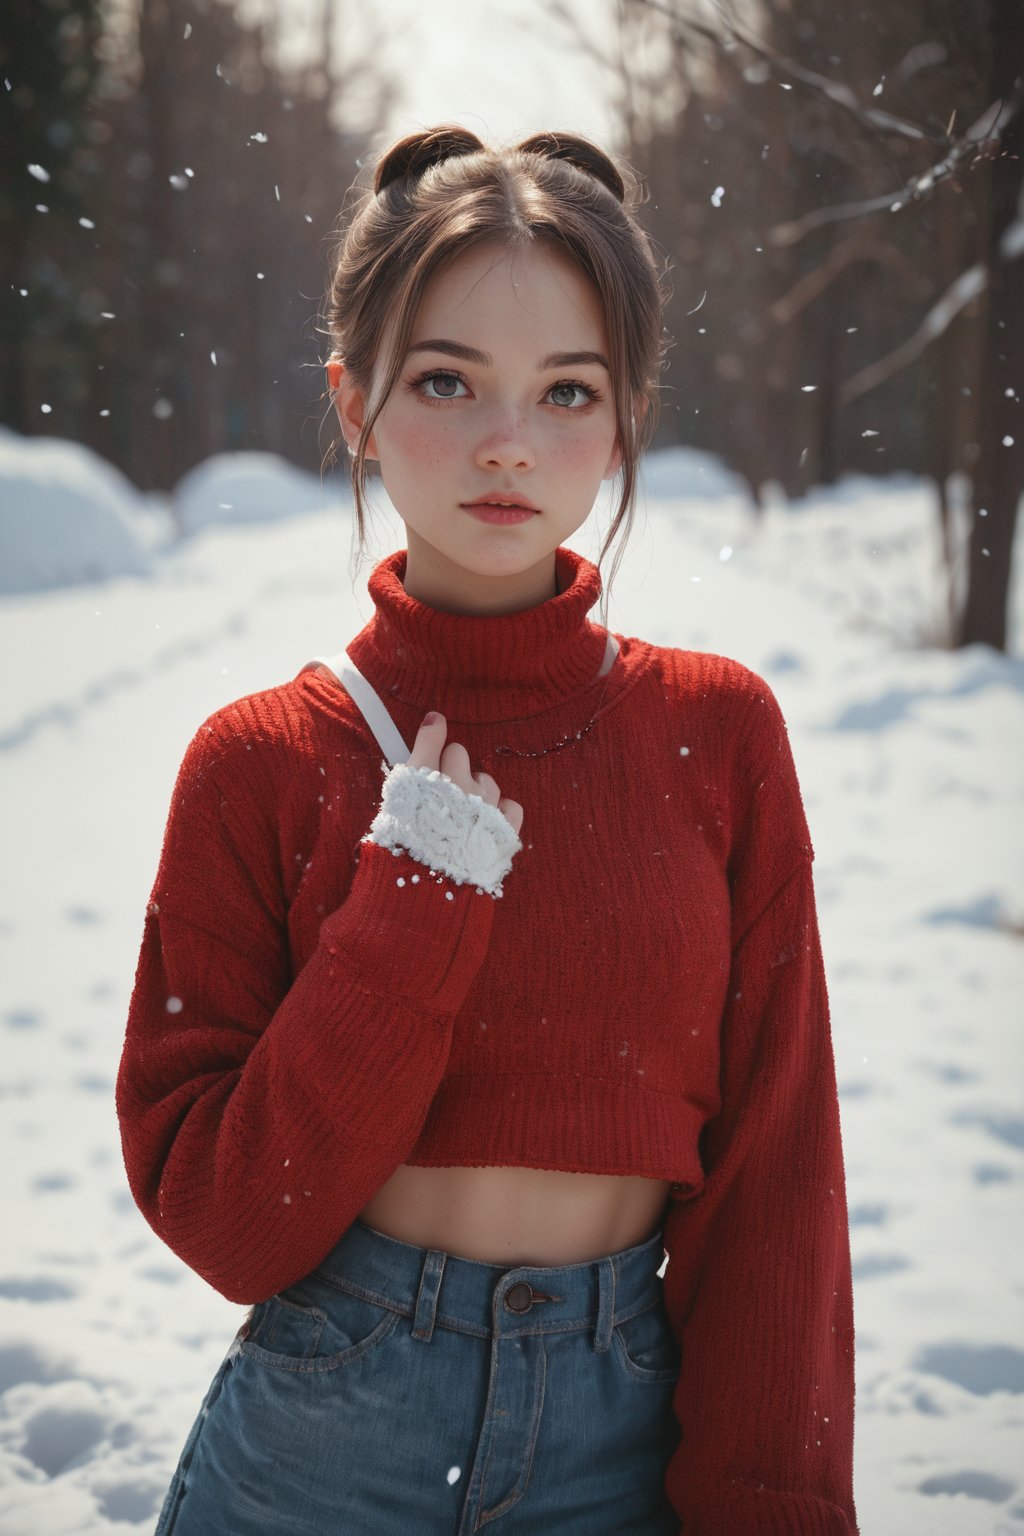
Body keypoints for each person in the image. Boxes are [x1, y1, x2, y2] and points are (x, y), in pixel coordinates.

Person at [116, 125, 858, 1535]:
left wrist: (776, 1501)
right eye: (448, 380)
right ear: (355, 403)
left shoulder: (718, 738)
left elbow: (776, 1183)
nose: (509, 441)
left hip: (622, 1440)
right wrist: (412, 905)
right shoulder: (258, 764)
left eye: (567, 390)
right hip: (326, 1438)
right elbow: (227, 1220)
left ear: (627, 413)